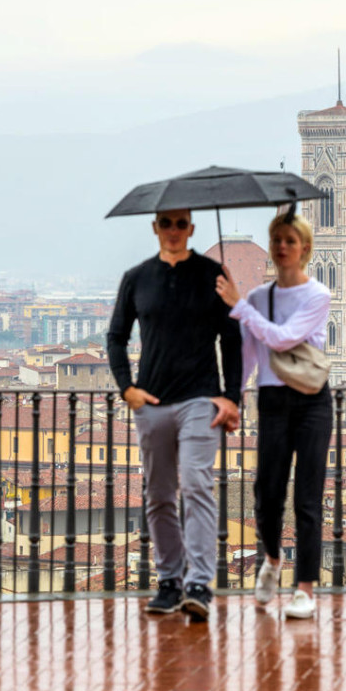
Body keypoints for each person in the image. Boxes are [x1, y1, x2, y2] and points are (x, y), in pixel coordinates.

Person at [106, 209, 241, 620]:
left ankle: (198, 584)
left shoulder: (213, 274)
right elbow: (115, 336)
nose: (174, 231)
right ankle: (169, 582)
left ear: (192, 229)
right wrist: (127, 389)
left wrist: (231, 396)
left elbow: (231, 339)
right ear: (155, 228)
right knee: (159, 495)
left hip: (201, 401)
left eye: (181, 224)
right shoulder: (137, 278)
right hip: (153, 404)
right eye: (167, 223)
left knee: (197, 484)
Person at [215, 211, 331, 620]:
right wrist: (234, 399)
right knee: (266, 492)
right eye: (277, 239)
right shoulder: (259, 299)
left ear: (304, 249)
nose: (282, 246)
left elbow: (282, 339)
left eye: (290, 240)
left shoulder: (318, 295)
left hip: (313, 400)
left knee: (308, 497)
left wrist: (239, 307)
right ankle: (272, 558)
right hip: (273, 402)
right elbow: (250, 355)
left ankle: (304, 589)